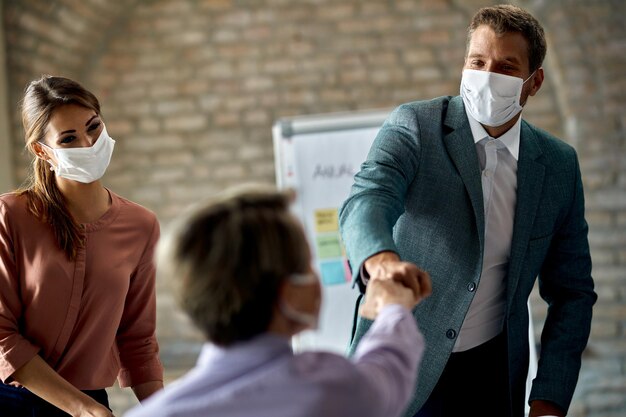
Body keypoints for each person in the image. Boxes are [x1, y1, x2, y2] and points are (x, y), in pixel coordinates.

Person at [339, 4, 596, 417]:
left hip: (493, 376)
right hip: (401, 363)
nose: (487, 77)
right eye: (478, 62)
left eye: (507, 67)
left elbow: (573, 293)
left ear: (535, 82)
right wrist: (381, 260)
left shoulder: (558, 166)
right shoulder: (416, 127)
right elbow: (368, 196)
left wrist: (549, 398)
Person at [125, 186, 431, 417]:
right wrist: (392, 310)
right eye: (305, 267)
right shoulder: (325, 388)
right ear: (287, 294)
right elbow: (386, 375)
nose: (313, 277)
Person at [0, 75, 164, 417]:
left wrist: (168, 411)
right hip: (13, 400)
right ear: (42, 151)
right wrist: (83, 409)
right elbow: (2, 333)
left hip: (91, 404)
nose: (89, 143)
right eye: (69, 138)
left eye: (93, 127)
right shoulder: (10, 216)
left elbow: (137, 341)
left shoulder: (140, 225)